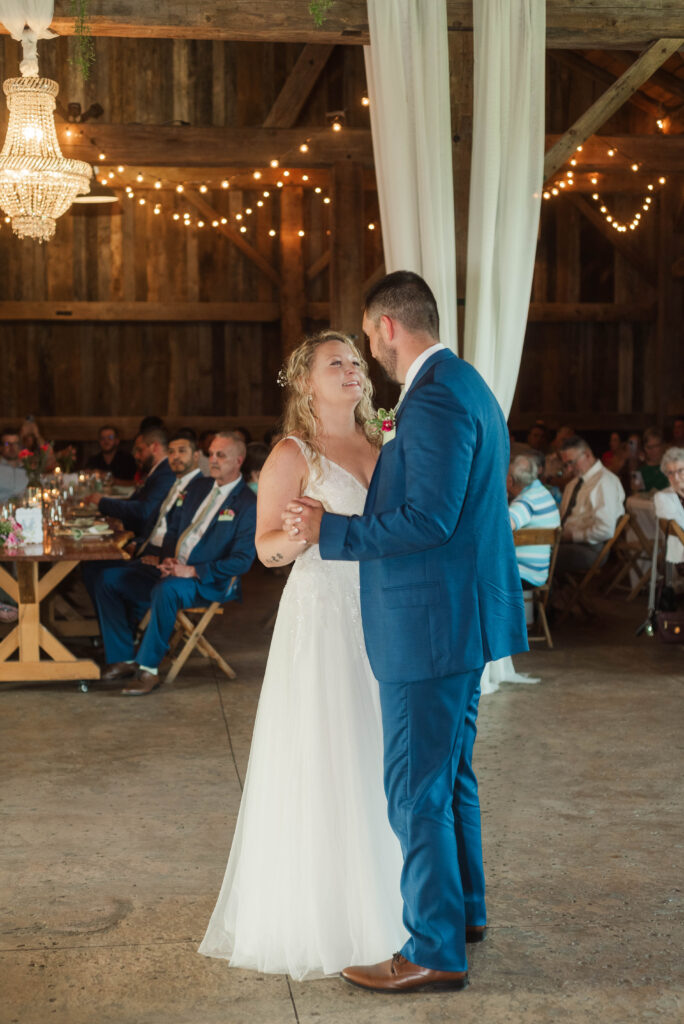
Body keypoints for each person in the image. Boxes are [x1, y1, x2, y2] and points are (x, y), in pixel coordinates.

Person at [282, 272, 527, 993]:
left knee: (415, 791)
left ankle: (433, 948)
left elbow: (431, 518)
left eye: (366, 336)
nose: (367, 351)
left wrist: (335, 530)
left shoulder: (436, 399)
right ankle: (465, 913)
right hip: (453, 618)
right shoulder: (462, 384)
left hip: (430, 626)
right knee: (449, 779)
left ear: (386, 326)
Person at [199, 331, 408, 979]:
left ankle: (400, 904)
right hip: (324, 614)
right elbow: (266, 549)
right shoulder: (294, 452)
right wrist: (302, 536)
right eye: (334, 362)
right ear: (305, 382)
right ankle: (330, 913)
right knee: (330, 750)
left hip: (388, 610)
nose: (351, 369)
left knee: (384, 755)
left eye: (355, 360)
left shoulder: (385, 443)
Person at [94, 433, 256, 695]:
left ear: (238, 460)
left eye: (220, 455)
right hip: (172, 568)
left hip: (208, 580)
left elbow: (242, 561)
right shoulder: (199, 487)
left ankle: (148, 670)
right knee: (109, 579)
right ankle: (122, 657)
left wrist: (191, 570)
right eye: (211, 454)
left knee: (166, 590)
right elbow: (173, 530)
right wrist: (166, 558)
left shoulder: (248, 504)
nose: (212, 460)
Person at [81, 430, 203, 609]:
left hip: (165, 560)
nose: (175, 457)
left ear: (196, 456)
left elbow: (156, 518)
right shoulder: (174, 481)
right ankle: (123, 629)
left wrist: (160, 556)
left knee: (103, 576)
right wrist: (138, 544)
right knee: (93, 567)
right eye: (172, 452)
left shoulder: (189, 484)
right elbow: (157, 521)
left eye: (182, 451)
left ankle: (128, 626)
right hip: (148, 547)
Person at [556, 435, 625, 579]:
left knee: (539, 558)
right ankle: (547, 598)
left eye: (572, 463)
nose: (569, 469)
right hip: (565, 541)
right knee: (531, 553)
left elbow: (605, 530)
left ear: (587, 455)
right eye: (565, 465)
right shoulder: (573, 484)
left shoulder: (605, 482)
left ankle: (544, 599)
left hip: (590, 548)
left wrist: (572, 536)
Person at [86, 427, 175, 536]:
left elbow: (144, 511)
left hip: (148, 541)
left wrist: (102, 502)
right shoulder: (159, 471)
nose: (136, 456)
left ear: (154, 447)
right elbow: (135, 502)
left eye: (140, 450)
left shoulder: (166, 473)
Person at [507, 454, 560, 587]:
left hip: (523, 574)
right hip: (539, 572)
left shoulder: (526, 502)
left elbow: (503, 527)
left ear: (511, 480)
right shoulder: (541, 492)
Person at [654, 447, 684, 563]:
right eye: (670, 473)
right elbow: (680, 529)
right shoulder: (662, 497)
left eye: (680, 470)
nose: (675, 478)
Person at [639, 427, 668, 492]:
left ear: (663, 445)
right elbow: (635, 495)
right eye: (649, 447)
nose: (652, 451)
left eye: (656, 446)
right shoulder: (639, 470)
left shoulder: (671, 467)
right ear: (644, 448)